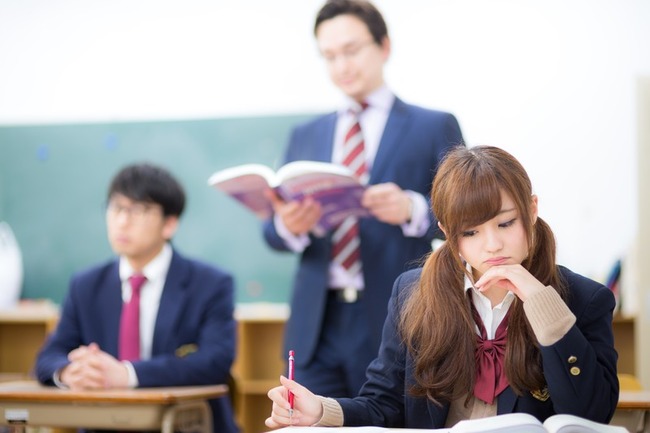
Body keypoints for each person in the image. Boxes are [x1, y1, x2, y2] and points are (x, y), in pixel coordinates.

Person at [265, 145, 619, 429]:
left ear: (532, 209)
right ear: (448, 232)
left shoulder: (584, 299)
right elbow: (384, 405)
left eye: (506, 223)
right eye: (471, 232)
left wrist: (543, 305)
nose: (492, 245)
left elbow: (591, 415)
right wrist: (320, 410)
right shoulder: (414, 294)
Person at [263, 0, 464, 398]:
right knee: (308, 421)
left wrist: (411, 208)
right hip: (315, 323)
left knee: (390, 418)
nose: (342, 65)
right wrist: (288, 225)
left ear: (384, 46)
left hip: (397, 313)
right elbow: (271, 231)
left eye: (351, 50)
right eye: (329, 56)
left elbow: (465, 215)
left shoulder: (432, 126)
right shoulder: (305, 135)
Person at [35, 163, 239, 433]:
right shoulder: (85, 285)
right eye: (116, 208)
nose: (122, 221)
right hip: (106, 426)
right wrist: (69, 372)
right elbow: (49, 356)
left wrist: (127, 374)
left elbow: (214, 361)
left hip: (185, 425)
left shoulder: (210, 284)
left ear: (169, 223)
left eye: (139, 210)